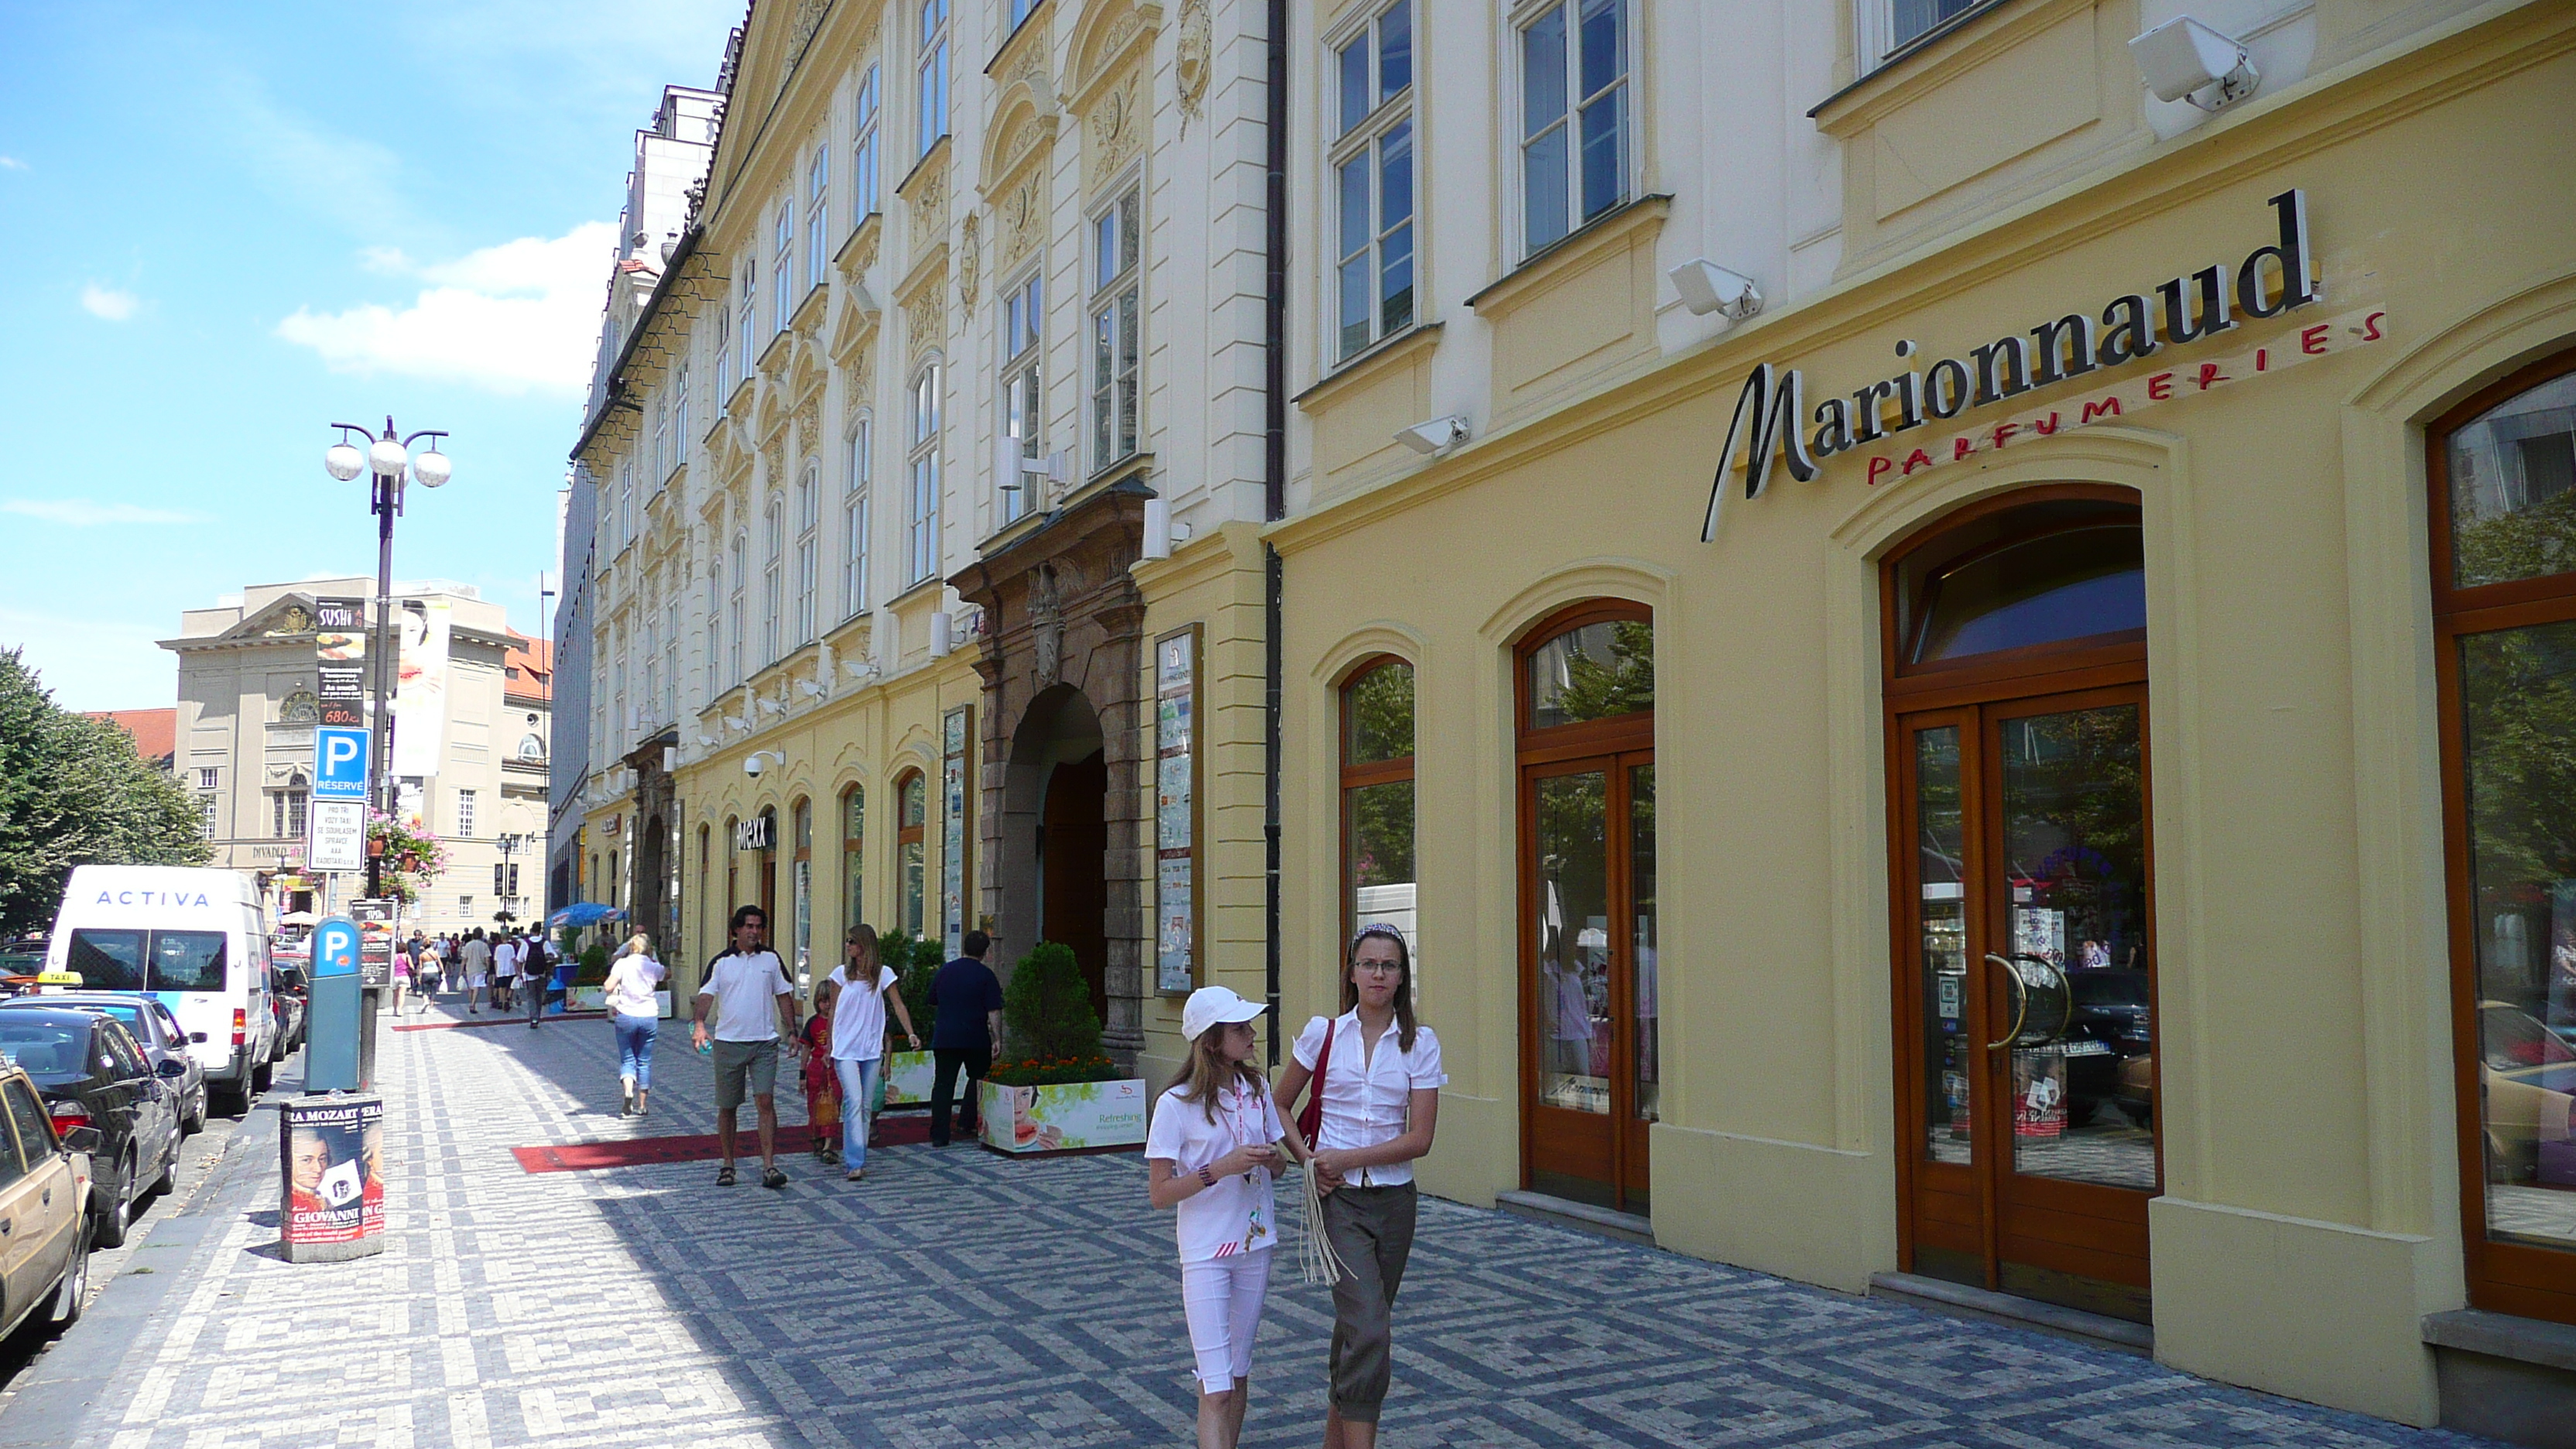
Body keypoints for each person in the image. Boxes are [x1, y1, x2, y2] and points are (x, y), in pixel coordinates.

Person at [1274, 924, 1445, 1449]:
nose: (1378, 974)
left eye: (1389, 966)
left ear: (1401, 977)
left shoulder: (1420, 1043)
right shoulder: (1323, 1034)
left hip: (1395, 1203)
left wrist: (1348, 1156)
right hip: (1337, 1201)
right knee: (1370, 1327)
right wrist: (1309, 1161)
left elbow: (1420, 1139)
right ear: (1351, 973)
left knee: (1359, 1327)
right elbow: (1278, 1105)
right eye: (1368, 964)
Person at [1147, 987, 1310, 1449]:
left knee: (1237, 1375)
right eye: (1241, 1029)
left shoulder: (1256, 1089)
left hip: (1256, 1245)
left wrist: (1269, 1162)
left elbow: (1279, 1164)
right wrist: (1220, 1169)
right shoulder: (1175, 1104)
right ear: (1213, 1040)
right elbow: (1160, 1194)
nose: (1253, 1034)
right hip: (1205, 1253)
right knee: (1216, 1387)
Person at [691, 905, 800, 1188]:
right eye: (749, 926)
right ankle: (728, 1164)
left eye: (758, 927)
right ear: (736, 929)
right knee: (728, 1106)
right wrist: (700, 1024)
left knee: (765, 1100)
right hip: (729, 1043)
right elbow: (705, 996)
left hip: (764, 1042)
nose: (754, 932)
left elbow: (784, 996)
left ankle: (769, 1166)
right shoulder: (722, 962)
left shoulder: (771, 959)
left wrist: (792, 1031)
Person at [822, 924, 920, 1181]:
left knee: (866, 1105)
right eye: (847, 941)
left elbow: (898, 1005)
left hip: (871, 1048)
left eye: (851, 941)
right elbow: (832, 1010)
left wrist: (910, 1032)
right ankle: (854, 1161)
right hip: (845, 1048)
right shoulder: (840, 975)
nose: (847, 946)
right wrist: (829, 1045)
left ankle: (859, 1155)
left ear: (864, 945)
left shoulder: (883, 974)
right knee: (853, 1100)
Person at [926, 930, 1005, 1147]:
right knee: (979, 1077)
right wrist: (998, 1038)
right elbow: (994, 1011)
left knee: (943, 1084)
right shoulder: (986, 976)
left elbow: (932, 999)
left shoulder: (946, 971)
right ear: (986, 952)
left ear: (964, 947)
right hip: (975, 1038)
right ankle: (967, 1120)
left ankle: (940, 1135)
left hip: (945, 1037)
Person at [603, 933, 664, 1116]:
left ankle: (628, 1091)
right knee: (644, 1060)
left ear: (631, 947)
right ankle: (643, 1106)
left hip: (626, 1015)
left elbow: (608, 986)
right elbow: (666, 974)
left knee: (627, 1059)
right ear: (648, 948)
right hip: (649, 1016)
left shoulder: (622, 963)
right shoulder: (653, 966)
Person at [799, 988, 843, 1167]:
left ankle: (828, 1145)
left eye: (830, 1001)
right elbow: (806, 1049)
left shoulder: (841, 1021)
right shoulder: (813, 1023)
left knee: (833, 1105)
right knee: (815, 1105)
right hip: (816, 1068)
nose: (827, 1005)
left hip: (835, 1067)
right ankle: (816, 1137)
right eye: (823, 1001)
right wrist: (802, 1075)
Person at [522, 930, 551, 1029]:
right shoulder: (544, 942)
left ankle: (533, 1018)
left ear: (531, 931)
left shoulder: (526, 943)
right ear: (540, 931)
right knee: (539, 996)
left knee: (531, 996)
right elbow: (554, 956)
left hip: (529, 975)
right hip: (541, 973)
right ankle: (537, 1017)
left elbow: (519, 959)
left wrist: (519, 973)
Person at [461, 930, 491, 1013]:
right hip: (481, 968)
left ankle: (471, 1003)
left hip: (470, 968)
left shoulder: (468, 945)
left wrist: (461, 971)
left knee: (471, 988)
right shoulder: (484, 945)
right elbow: (487, 959)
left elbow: (464, 959)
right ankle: (473, 1004)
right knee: (477, 986)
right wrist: (488, 967)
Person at [492, 931, 519, 1012]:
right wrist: (517, 969)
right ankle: (508, 998)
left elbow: (496, 960)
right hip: (510, 969)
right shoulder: (511, 947)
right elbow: (513, 959)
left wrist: (496, 971)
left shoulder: (498, 948)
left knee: (501, 987)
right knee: (510, 986)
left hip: (500, 970)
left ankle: (501, 1001)